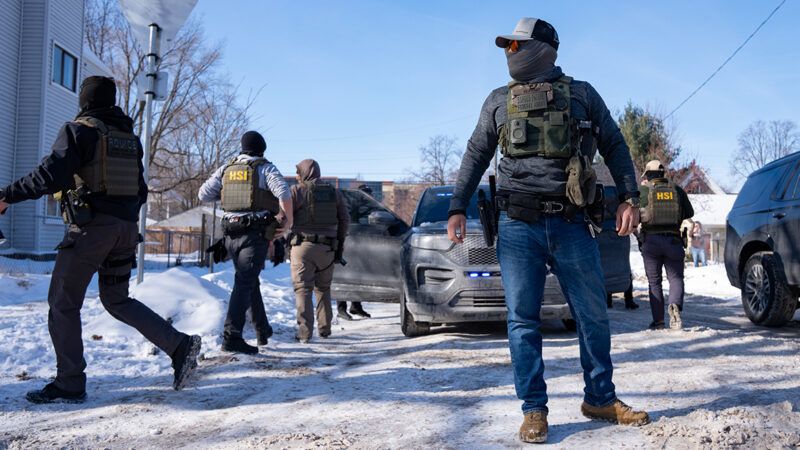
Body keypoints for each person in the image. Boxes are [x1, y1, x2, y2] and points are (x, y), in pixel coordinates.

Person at [446, 18, 650, 443]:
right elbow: (476, 153)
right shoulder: (498, 100)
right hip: (517, 225)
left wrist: (630, 197)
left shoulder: (582, 94)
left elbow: (614, 143)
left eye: (517, 45)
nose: (510, 53)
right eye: (508, 47)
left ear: (545, 48)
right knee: (522, 320)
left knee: (593, 314)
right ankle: (534, 410)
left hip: (573, 222)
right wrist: (456, 206)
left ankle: (600, 397)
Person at [0, 76, 201, 403]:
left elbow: (50, 174)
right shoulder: (129, 138)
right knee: (116, 299)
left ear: (85, 101)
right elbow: (141, 190)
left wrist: (7, 196)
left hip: (92, 231)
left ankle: (69, 382)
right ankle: (179, 345)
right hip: (125, 231)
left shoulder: (79, 131)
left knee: (63, 303)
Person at [198, 131, 292, 355]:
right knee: (244, 283)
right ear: (262, 149)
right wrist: (287, 224)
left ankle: (262, 329)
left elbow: (203, 194)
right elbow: (284, 193)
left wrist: (229, 196)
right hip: (254, 235)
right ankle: (232, 337)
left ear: (242, 148)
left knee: (249, 281)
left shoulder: (226, 168)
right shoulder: (265, 168)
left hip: (230, 234)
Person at [289, 159, 349, 343]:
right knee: (323, 288)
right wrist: (339, 244)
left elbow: (284, 216)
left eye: (298, 172)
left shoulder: (296, 191)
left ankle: (305, 333)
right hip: (327, 248)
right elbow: (344, 220)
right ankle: (325, 329)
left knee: (303, 290)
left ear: (304, 173)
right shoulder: (334, 193)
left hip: (302, 247)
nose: (297, 176)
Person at [638, 160, 694, 330]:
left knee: (654, 282)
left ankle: (659, 321)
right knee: (676, 278)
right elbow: (689, 212)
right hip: (673, 240)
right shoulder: (676, 189)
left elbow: (635, 213)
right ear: (662, 174)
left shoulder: (644, 190)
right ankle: (675, 306)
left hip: (651, 242)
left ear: (648, 175)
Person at [336, 183, 373, 320]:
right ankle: (341, 308)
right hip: (348, 242)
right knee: (345, 275)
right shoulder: (352, 205)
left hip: (360, 244)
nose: (370, 196)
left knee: (357, 275)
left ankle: (356, 306)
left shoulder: (366, 207)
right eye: (367, 194)